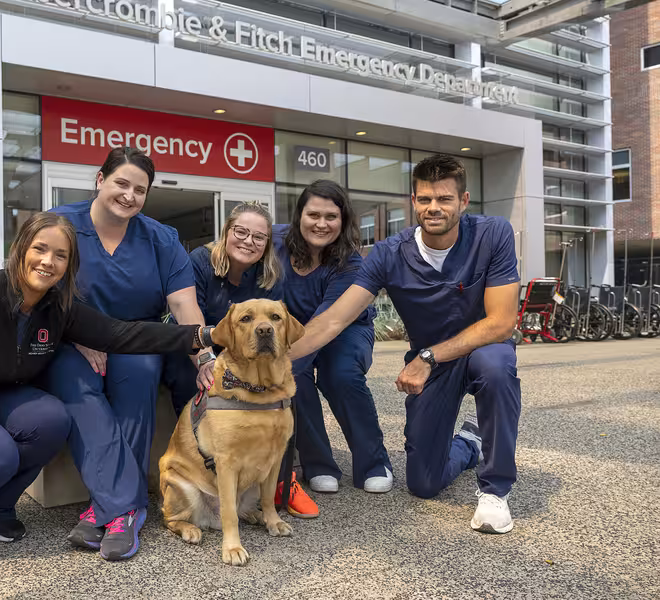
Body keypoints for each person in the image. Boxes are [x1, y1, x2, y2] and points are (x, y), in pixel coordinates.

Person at [0, 212, 213, 559]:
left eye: (61, 255)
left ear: (70, 264)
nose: (48, 261)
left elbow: (120, 334)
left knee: (50, 419)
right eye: (40, 249)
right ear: (20, 249)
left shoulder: (57, 307)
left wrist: (202, 335)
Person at [288, 154, 521, 534]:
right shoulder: (387, 254)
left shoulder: (492, 233)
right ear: (413, 202)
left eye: (444, 199)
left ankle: (495, 490)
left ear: (463, 202)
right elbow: (333, 319)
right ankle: (468, 443)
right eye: (425, 199)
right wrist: (275, 363)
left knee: (497, 366)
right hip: (432, 367)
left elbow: (501, 323)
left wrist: (428, 356)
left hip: (475, 352)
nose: (434, 207)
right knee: (423, 483)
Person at [41, 147, 208, 561]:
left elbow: (185, 307)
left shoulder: (161, 238)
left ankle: (109, 510)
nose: (129, 195)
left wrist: (205, 360)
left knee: (138, 378)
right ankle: (124, 508)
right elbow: (36, 290)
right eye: (121, 183)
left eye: (140, 189)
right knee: (80, 391)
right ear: (100, 180)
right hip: (73, 339)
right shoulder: (60, 224)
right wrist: (78, 336)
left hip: (137, 340)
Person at [161, 201, 320, 519]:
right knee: (187, 375)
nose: (249, 241)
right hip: (194, 345)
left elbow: (276, 328)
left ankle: (282, 479)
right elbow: (190, 316)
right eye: (241, 232)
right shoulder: (201, 262)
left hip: (242, 355)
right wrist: (206, 360)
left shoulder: (271, 275)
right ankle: (205, 463)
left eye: (258, 237)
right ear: (226, 232)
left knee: (291, 382)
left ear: (266, 244)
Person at [273, 180, 394, 496]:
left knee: (339, 374)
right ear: (300, 215)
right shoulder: (274, 242)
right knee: (295, 374)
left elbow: (329, 324)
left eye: (331, 216)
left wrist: (277, 361)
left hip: (344, 329)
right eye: (314, 214)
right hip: (298, 330)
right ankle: (319, 465)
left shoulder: (351, 263)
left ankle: (374, 463)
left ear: (344, 221)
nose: (321, 224)